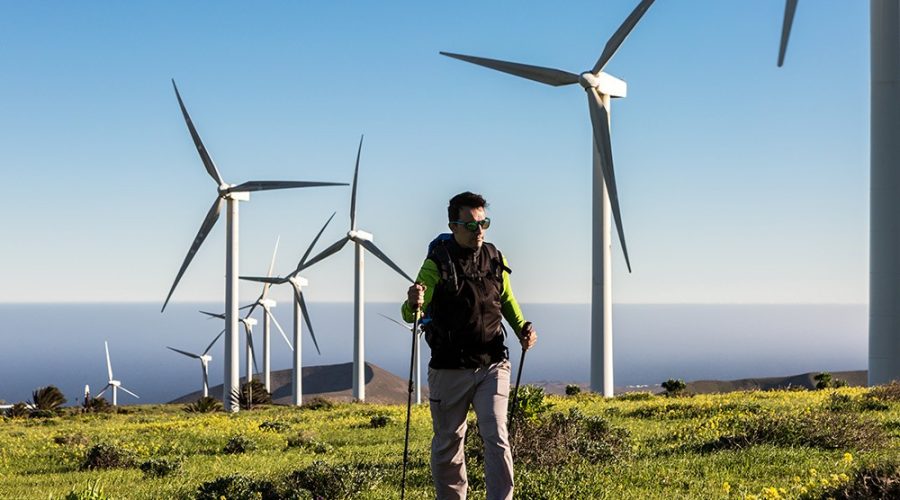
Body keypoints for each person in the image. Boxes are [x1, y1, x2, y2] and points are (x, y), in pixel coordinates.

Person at [402, 191, 537, 500]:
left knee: (497, 435)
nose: (479, 231)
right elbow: (410, 312)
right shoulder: (436, 263)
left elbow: (506, 299)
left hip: (493, 363)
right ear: (453, 226)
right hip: (449, 368)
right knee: (449, 441)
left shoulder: (495, 257)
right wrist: (414, 303)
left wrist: (522, 328)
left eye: (483, 223)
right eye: (471, 225)